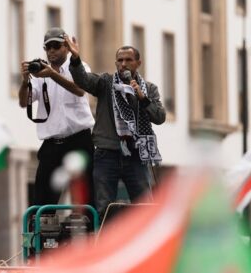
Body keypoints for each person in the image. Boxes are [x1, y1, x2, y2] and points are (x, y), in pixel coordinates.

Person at [65, 35, 165, 217]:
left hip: (136, 155)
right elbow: (83, 80)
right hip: (107, 153)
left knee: (144, 207)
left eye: (128, 60)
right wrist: (75, 58)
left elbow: (159, 117)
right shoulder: (106, 83)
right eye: (120, 60)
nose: (123, 64)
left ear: (138, 63)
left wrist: (142, 98)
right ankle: (104, 242)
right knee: (104, 207)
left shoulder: (148, 89)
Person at [18, 27, 95, 207]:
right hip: (52, 144)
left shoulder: (79, 67)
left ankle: (91, 231)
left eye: (56, 46)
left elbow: (79, 89)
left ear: (67, 48)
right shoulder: (39, 73)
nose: (52, 50)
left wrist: (52, 75)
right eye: (48, 47)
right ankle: (43, 232)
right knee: (43, 199)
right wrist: (24, 81)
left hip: (79, 141)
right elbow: (23, 102)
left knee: (87, 196)